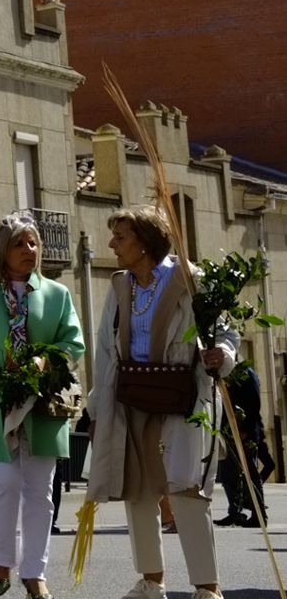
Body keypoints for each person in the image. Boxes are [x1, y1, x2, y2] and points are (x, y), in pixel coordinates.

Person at [83, 205, 235, 599]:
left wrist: (223, 354)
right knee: (137, 490)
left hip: (182, 394)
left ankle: (207, 587)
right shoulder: (119, 287)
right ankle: (152, 581)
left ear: (146, 242)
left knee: (186, 490)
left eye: (122, 237)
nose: (113, 244)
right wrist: (98, 409)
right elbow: (104, 350)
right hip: (131, 397)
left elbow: (224, 331)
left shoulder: (190, 279)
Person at [0, 214, 87, 599]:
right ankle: (2, 559)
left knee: (41, 489)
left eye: (33, 243)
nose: (30, 250)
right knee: (5, 482)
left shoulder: (57, 294)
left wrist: (46, 361)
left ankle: (35, 573)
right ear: (1, 251)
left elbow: (73, 342)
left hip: (43, 402)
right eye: (19, 244)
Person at [213, 363, 269, 528]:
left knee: (250, 474)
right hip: (227, 430)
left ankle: (259, 515)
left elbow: (254, 405)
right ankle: (235, 512)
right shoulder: (220, 374)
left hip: (245, 432)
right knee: (228, 474)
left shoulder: (246, 373)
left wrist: (246, 430)